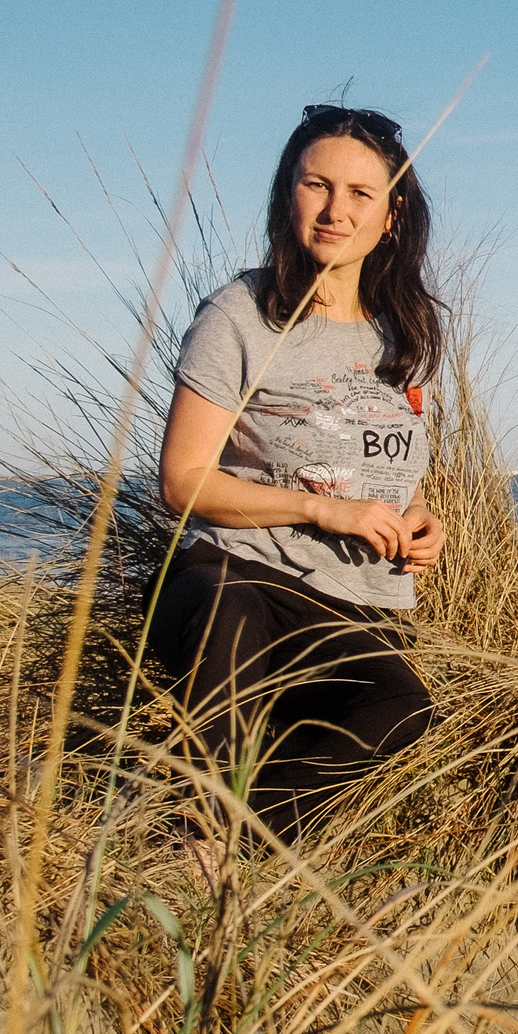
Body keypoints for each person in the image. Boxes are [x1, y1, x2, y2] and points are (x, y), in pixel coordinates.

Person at [153, 103, 447, 858]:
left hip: (355, 604)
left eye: (359, 193)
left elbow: (393, 472)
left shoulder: (407, 332)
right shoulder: (241, 313)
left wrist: (420, 523)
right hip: (235, 571)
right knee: (231, 609)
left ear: (392, 213)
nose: (334, 210)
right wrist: (325, 513)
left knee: (404, 706)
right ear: (289, 191)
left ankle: (246, 845)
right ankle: (197, 841)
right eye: (317, 185)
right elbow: (183, 482)